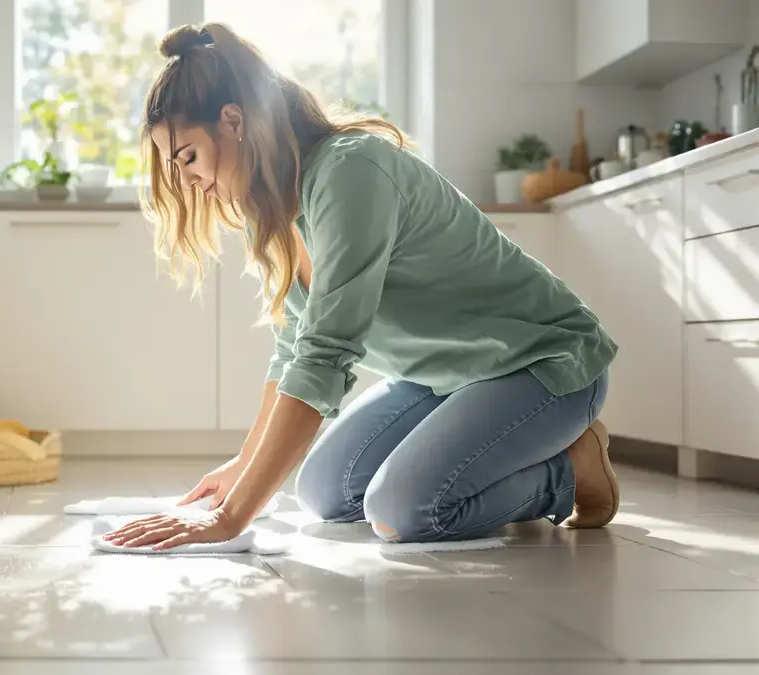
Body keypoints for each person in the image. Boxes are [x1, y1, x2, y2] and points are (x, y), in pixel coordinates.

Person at [103, 22, 619, 550]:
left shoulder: (351, 172)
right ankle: (508, 452)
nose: (186, 180)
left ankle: (567, 473)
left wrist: (231, 518)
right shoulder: (271, 208)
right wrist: (244, 465)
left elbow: (327, 352)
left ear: (233, 121)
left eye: (187, 156)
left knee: (403, 511)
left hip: (543, 362)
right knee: (327, 491)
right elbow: (294, 348)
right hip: (442, 377)